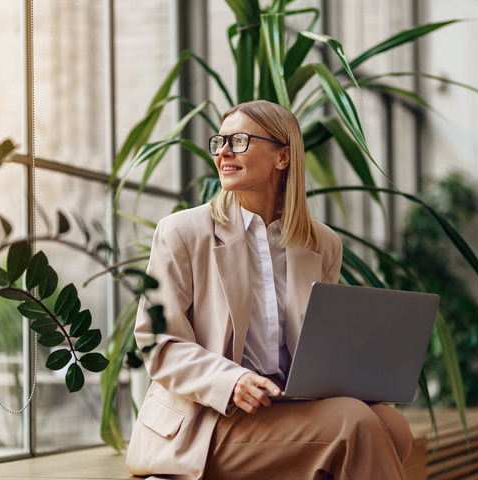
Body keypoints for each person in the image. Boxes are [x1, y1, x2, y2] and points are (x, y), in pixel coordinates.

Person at [126, 100, 414, 480]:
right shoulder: (183, 232)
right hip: (208, 419)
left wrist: (362, 374)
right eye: (220, 142)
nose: (224, 152)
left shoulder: (321, 243)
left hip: (285, 405)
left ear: (283, 158)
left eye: (240, 140)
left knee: (394, 427)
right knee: (355, 423)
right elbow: (157, 342)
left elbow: (321, 345)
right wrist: (232, 381)